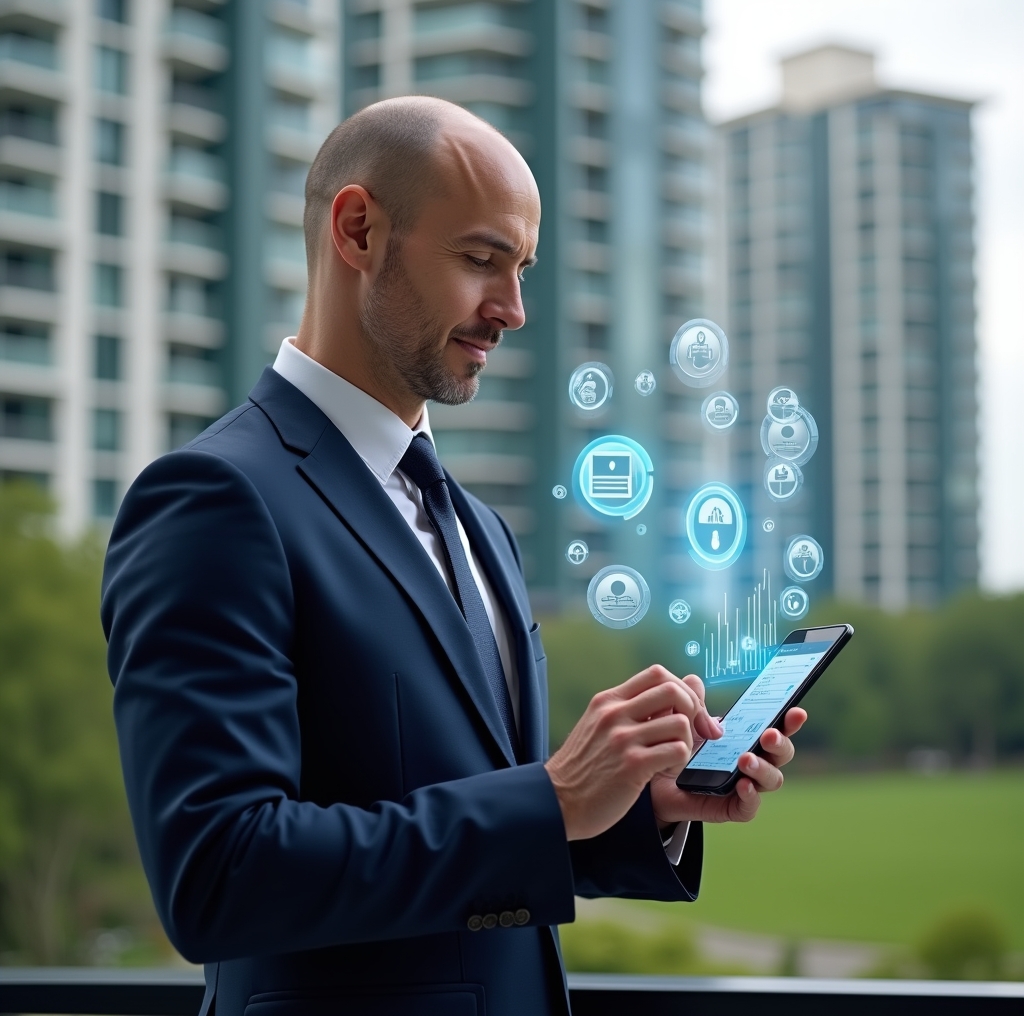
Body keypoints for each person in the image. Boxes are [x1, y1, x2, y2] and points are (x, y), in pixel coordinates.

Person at [102, 97, 806, 1016]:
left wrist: (639, 806)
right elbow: (221, 875)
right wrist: (551, 798)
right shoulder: (212, 500)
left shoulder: (479, 525)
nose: (512, 310)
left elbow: (475, 833)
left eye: (522, 269)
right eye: (481, 260)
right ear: (358, 229)